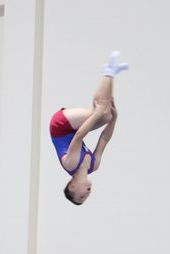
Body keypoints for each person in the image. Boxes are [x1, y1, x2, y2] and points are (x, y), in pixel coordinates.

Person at [50, 51, 128, 205]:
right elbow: (104, 139)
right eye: (85, 199)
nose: (86, 195)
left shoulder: (71, 163)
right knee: (108, 115)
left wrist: (96, 114)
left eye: (81, 197)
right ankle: (111, 74)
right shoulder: (94, 165)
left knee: (100, 112)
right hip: (73, 131)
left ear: (72, 186)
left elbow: (79, 136)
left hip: (59, 126)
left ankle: (108, 71)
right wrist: (115, 120)